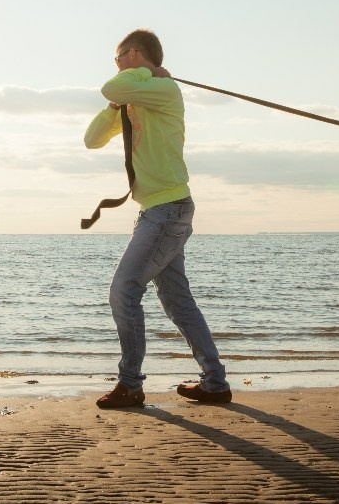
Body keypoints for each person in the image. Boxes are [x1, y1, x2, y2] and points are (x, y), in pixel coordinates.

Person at [84, 29, 232, 409]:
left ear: (133, 54)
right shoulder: (137, 97)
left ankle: (130, 385)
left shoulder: (164, 91)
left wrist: (145, 75)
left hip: (167, 210)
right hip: (159, 210)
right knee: (177, 300)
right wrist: (121, 102)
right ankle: (215, 383)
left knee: (123, 290)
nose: (115, 64)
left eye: (118, 57)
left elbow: (109, 86)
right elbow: (92, 139)